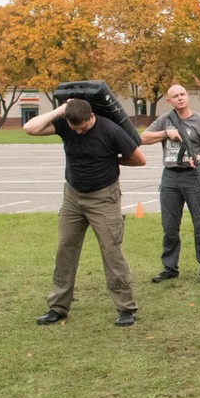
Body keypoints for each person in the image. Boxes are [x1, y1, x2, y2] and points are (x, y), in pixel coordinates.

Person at [25, 99, 146, 327]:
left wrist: (111, 160)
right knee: (65, 249)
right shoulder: (65, 123)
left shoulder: (110, 130)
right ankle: (58, 307)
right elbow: (30, 128)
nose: (79, 131)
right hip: (72, 196)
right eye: (75, 127)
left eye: (83, 126)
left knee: (111, 251)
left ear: (91, 116)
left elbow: (140, 159)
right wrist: (61, 110)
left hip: (103, 197)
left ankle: (126, 308)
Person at [140, 84, 200, 285]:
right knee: (169, 226)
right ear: (169, 100)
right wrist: (166, 134)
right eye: (175, 96)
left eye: (183, 94)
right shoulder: (165, 120)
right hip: (170, 177)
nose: (180, 98)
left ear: (188, 96)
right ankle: (169, 267)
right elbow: (142, 138)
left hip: (194, 176)